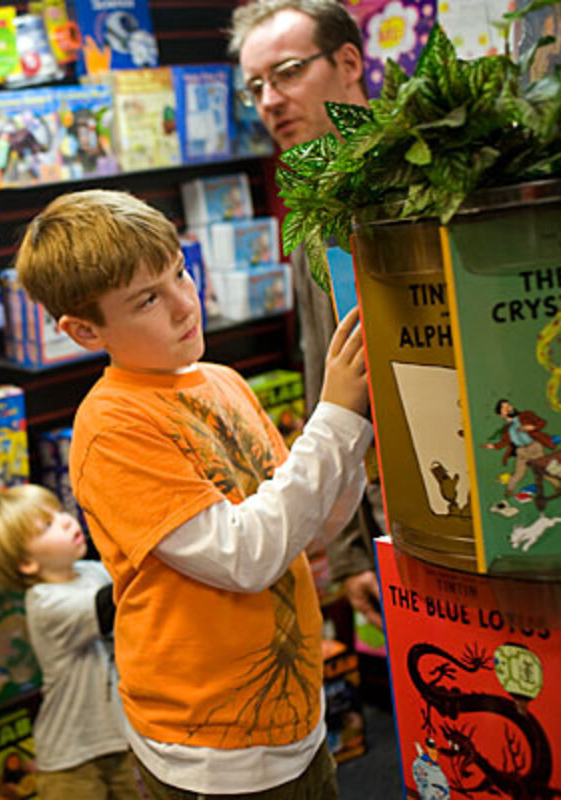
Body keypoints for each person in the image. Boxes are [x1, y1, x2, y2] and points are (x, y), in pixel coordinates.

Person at [15, 188, 371, 798]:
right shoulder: (111, 426)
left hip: (295, 719)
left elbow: (305, 526)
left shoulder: (223, 381)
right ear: (84, 330)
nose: (186, 303)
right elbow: (246, 557)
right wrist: (336, 418)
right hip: (211, 747)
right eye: (147, 299)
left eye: (179, 272)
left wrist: (356, 432)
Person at [229, 0, 386, 630]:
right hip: (390, 523)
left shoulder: (423, 176)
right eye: (256, 87)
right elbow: (329, 375)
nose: (270, 100)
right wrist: (350, 551)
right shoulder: (313, 210)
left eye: (288, 72)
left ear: (348, 62)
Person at [0, 484, 137, 800]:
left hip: (120, 739)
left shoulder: (91, 571)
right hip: (71, 757)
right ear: (27, 563)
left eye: (60, 511)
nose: (66, 520)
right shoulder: (45, 603)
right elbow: (114, 602)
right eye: (47, 525)